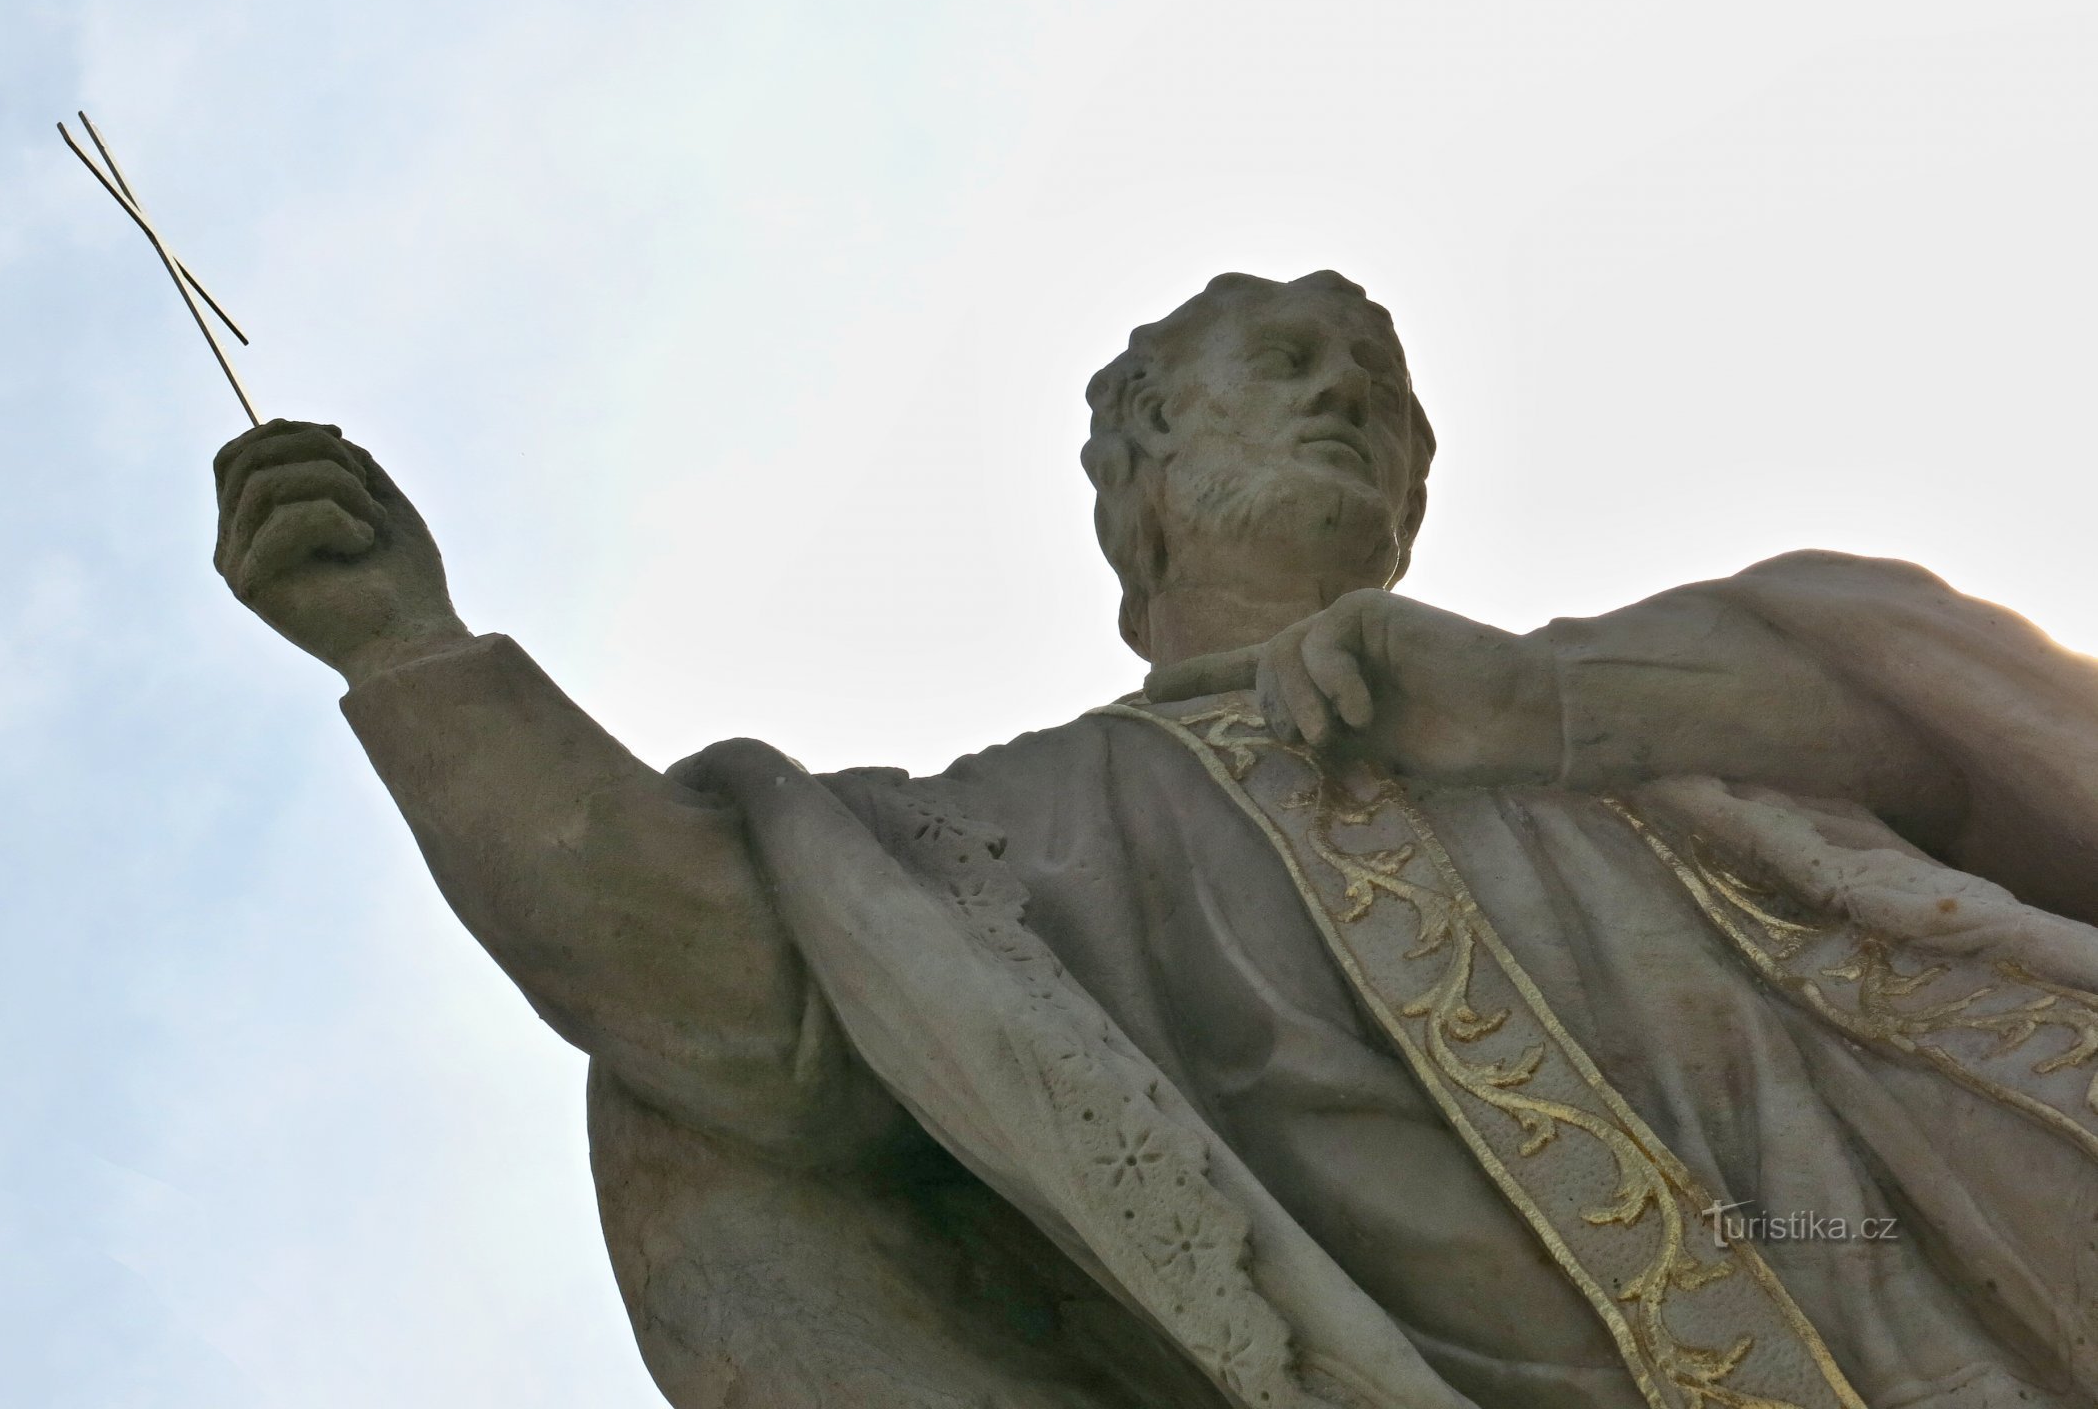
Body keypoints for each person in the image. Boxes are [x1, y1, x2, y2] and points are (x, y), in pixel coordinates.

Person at [213, 270, 2098, 1408]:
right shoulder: (1006, 837)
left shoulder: (1661, 675)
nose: (1343, 392)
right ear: (1138, 480)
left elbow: (1986, 753)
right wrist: (417, 660)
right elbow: (740, 1030)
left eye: (1374, 385)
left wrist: (1542, 712)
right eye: (1274, 362)